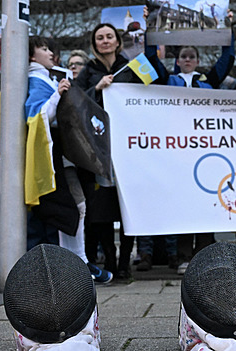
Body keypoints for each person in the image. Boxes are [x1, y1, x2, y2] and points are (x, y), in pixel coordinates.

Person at [141, 7, 234, 273]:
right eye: (184, 56)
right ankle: (182, 257)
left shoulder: (209, 81)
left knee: (207, 200)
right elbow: (150, 56)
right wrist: (150, 26)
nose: (189, 59)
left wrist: (230, 29)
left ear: (197, 59)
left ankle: (205, 254)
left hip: (206, 150)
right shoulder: (167, 80)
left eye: (192, 56)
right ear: (178, 60)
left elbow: (228, 57)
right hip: (178, 152)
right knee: (182, 203)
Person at [25, 36, 113, 283]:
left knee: (76, 207)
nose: (50, 53)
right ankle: (76, 264)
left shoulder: (44, 78)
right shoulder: (37, 80)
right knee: (71, 209)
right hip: (51, 158)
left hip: (60, 156)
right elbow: (35, 117)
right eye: (44, 49)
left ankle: (79, 262)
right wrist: (57, 96)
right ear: (31, 56)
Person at [76, 23, 155, 280]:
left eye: (109, 36)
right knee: (102, 211)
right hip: (99, 152)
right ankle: (110, 260)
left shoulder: (132, 65)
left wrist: (149, 34)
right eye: (100, 38)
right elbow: (75, 102)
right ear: (94, 43)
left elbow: (156, 87)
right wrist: (95, 89)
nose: (105, 41)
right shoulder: (88, 71)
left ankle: (124, 263)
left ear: (118, 42)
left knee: (127, 206)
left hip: (129, 150)